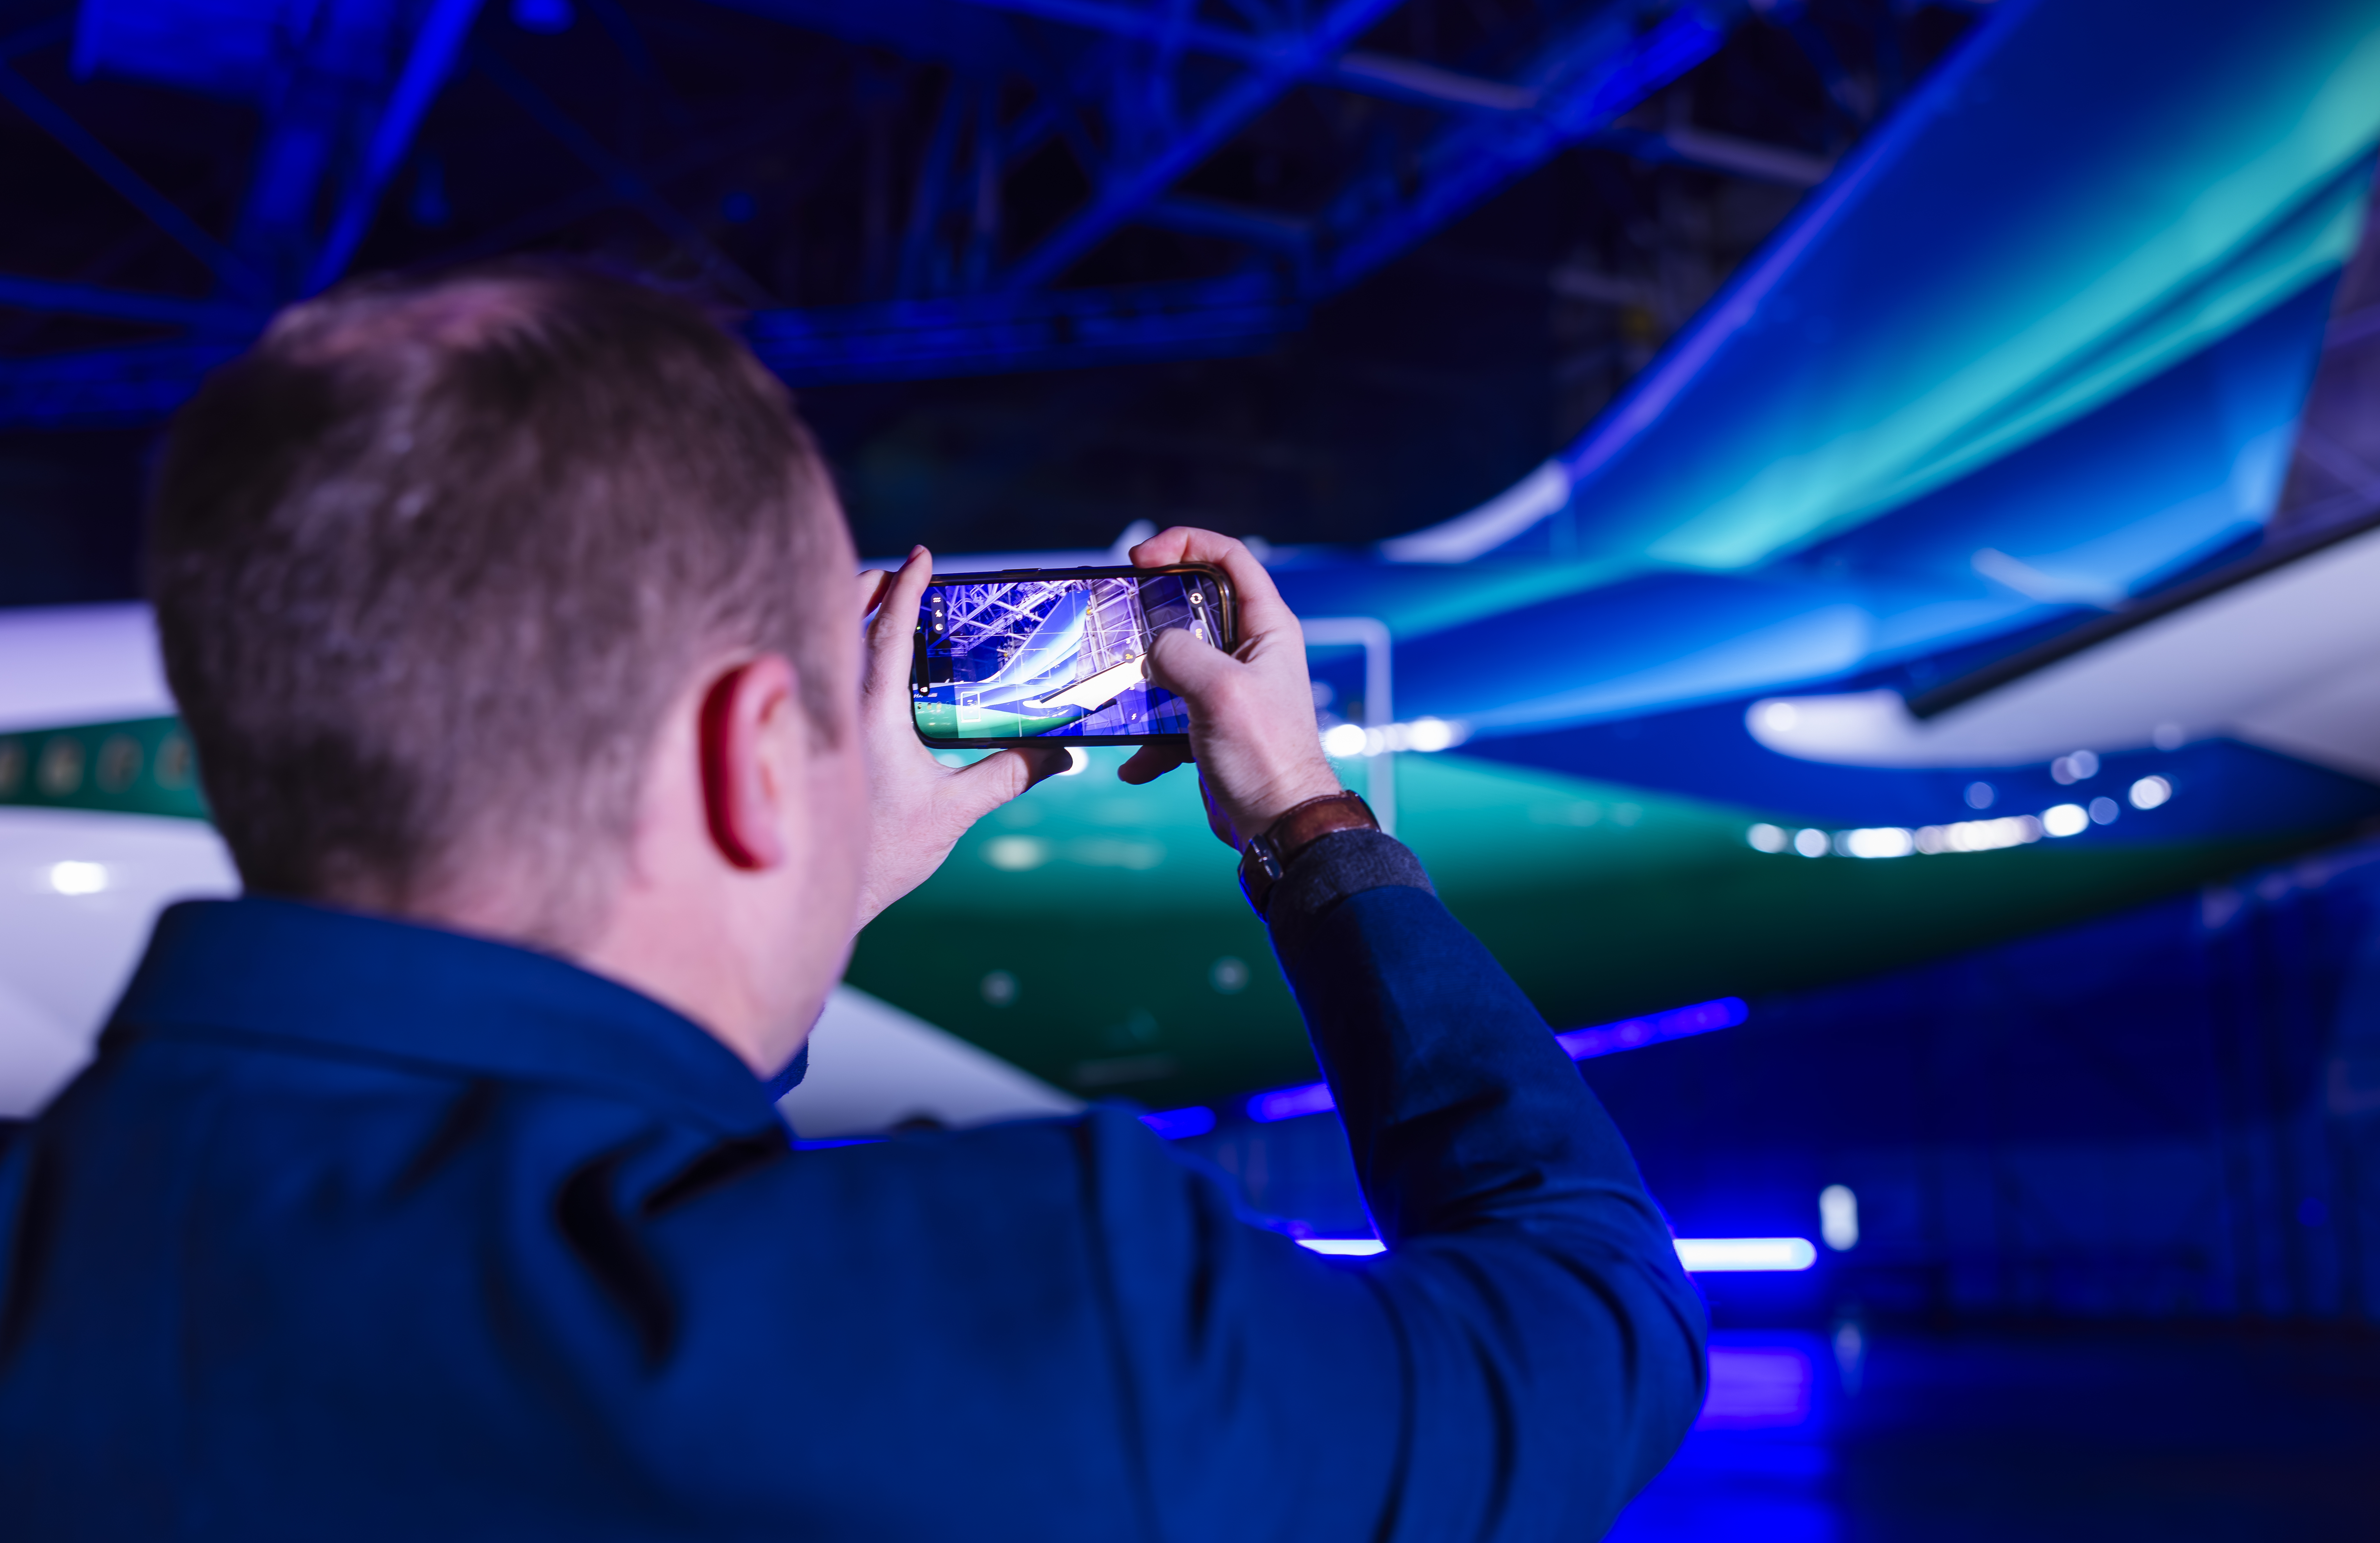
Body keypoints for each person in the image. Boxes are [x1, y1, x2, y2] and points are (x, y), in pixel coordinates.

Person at [0, 262, 1705, 1539]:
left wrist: (794, 895)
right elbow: (1590, 1305)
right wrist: (1306, 825)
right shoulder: (1042, 1325)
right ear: (755, 754)